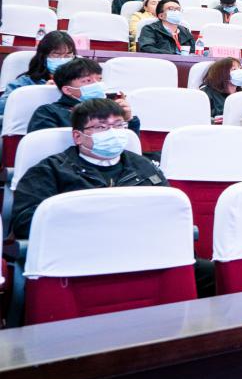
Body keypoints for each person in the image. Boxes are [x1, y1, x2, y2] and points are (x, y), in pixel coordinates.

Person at [11, 99, 166, 240]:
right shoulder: (50, 170)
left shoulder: (143, 166)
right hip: (77, 248)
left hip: (140, 245)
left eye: (118, 125)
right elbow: (25, 223)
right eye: (101, 127)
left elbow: (167, 210)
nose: (113, 132)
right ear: (77, 136)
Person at [28, 58, 141, 133]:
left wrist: (128, 120)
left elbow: (129, 149)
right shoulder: (48, 113)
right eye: (87, 81)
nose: (97, 85)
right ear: (68, 90)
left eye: (99, 79)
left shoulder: (111, 110)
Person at [0, 31, 77, 115]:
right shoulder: (26, 82)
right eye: (57, 54)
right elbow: (2, 107)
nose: (63, 59)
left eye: (68, 54)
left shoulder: (80, 82)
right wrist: (39, 93)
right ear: (44, 56)